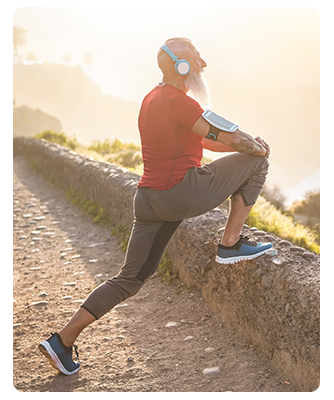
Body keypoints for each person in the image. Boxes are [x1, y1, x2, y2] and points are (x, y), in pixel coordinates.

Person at [39, 37, 272, 375]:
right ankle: (230, 243)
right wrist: (257, 148)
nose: (203, 64)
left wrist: (242, 146)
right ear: (181, 66)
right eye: (196, 58)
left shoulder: (153, 98)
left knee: (130, 279)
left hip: (147, 199)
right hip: (179, 193)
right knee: (258, 166)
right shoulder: (182, 102)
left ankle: (62, 340)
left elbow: (205, 139)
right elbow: (230, 137)